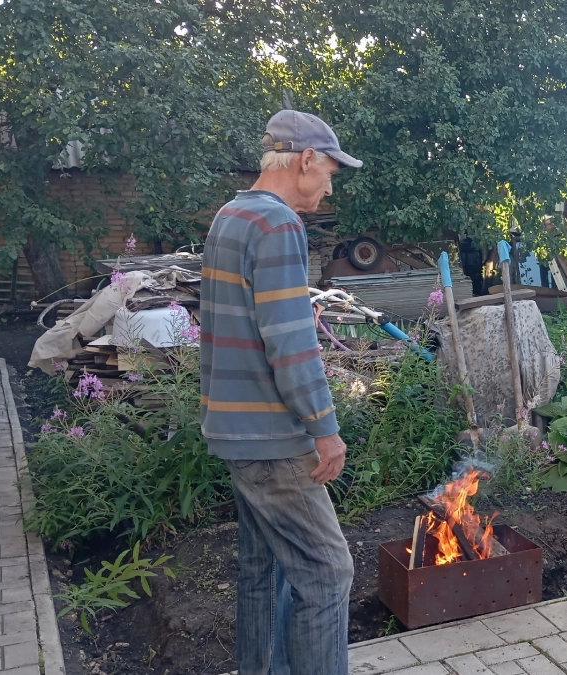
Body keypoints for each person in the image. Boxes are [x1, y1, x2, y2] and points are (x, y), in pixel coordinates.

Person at [200, 110, 363, 674]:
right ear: (305, 159)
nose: (329, 186)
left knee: (263, 571)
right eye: (330, 172)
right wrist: (325, 429)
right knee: (327, 572)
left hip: (235, 432)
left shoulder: (231, 215)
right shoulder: (278, 225)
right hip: (273, 439)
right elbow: (291, 345)